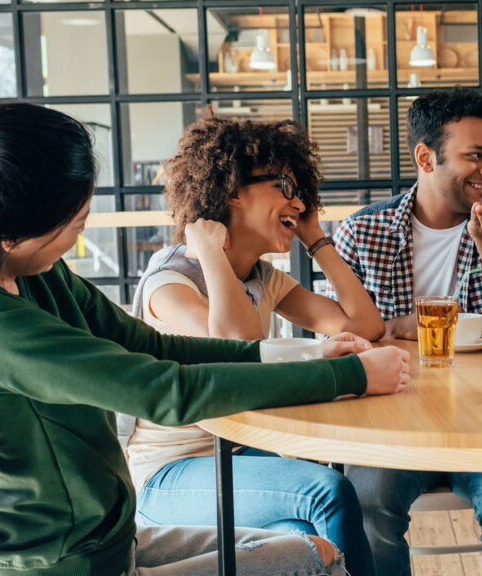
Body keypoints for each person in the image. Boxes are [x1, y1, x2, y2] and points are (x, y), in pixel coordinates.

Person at [0, 103, 411, 576]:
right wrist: (347, 376)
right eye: (73, 224)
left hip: (114, 539)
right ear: (12, 231)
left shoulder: (36, 273)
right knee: (312, 558)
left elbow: (152, 346)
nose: (80, 236)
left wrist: (310, 352)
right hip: (67, 563)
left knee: (310, 547)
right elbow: (164, 389)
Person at [123, 116, 383, 576]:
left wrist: (316, 239)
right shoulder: (171, 281)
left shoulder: (263, 277)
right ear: (232, 192)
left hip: (238, 450)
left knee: (300, 534)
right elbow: (236, 344)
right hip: (170, 474)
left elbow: (366, 325)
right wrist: (207, 251)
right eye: (286, 185)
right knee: (328, 491)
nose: (299, 202)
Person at [332, 87, 482, 576]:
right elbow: (335, 341)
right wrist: (395, 327)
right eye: (475, 155)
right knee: (364, 508)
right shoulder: (360, 232)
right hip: (392, 423)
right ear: (425, 157)